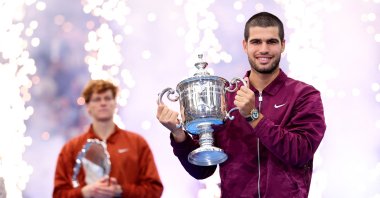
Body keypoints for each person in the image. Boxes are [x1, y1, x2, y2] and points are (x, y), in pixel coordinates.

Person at [156, 11, 326, 197]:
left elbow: (299, 153)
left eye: (271, 41)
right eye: (256, 42)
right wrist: (178, 134)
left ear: (282, 45)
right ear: (245, 45)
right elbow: (203, 169)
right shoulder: (226, 97)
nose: (264, 49)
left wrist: (253, 116)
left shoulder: (304, 95)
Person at [54, 80, 163, 198]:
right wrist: (84, 192)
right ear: (88, 106)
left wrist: (121, 190)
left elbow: (154, 190)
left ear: (115, 103)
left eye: (107, 98)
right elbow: (58, 194)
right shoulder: (71, 148)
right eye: (97, 99)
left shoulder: (137, 143)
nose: (103, 103)